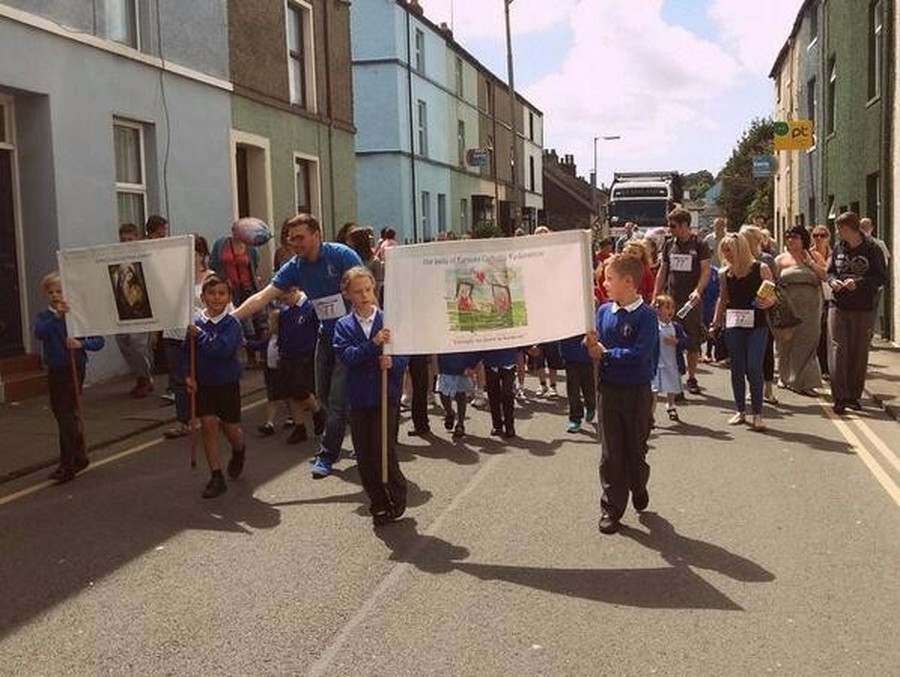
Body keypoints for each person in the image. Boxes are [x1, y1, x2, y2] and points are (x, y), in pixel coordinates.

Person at [232, 213, 362, 479]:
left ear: (317, 235)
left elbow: (367, 291)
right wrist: (227, 321)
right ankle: (362, 434)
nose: (295, 244)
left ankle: (327, 454)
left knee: (336, 401)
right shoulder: (295, 266)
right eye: (291, 240)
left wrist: (376, 332)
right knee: (324, 397)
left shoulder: (342, 256)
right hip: (326, 336)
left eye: (301, 238)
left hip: (353, 337)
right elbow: (262, 296)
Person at [586, 255, 659, 535]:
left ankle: (638, 485)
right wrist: (590, 345)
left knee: (635, 450)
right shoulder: (603, 311)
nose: (604, 283)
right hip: (609, 390)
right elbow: (595, 344)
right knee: (610, 453)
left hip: (637, 392)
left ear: (628, 282)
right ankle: (611, 508)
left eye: (609, 278)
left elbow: (641, 354)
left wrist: (606, 353)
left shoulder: (646, 316)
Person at [333, 266, 408, 526]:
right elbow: (348, 357)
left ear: (374, 289)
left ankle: (397, 493)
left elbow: (402, 358)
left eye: (368, 289)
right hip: (359, 397)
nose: (364, 295)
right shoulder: (343, 326)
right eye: (358, 291)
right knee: (364, 453)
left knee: (382, 449)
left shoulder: (389, 321)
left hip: (385, 395)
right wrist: (373, 345)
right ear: (347, 295)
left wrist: (393, 364)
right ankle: (377, 502)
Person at [34, 272, 105, 484]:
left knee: (65, 414)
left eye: (59, 291)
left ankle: (68, 464)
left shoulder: (77, 315)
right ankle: (79, 455)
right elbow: (40, 333)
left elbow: (98, 341)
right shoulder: (45, 317)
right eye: (51, 292)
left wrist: (81, 344)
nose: (55, 295)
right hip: (56, 369)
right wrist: (56, 315)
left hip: (74, 367)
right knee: (63, 413)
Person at [185, 275, 247, 499]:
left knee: (231, 429)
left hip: (227, 382)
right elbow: (187, 352)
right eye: (211, 293)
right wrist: (188, 375)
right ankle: (216, 475)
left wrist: (200, 335)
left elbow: (222, 350)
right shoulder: (195, 322)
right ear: (202, 297)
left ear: (229, 297)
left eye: (222, 293)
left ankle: (239, 449)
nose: (216, 298)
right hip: (204, 384)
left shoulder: (232, 324)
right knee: (209, 423)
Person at [710, 233, 774, 431]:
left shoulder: (761, 268)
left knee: (754, 366)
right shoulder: (724, 273)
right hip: (734, 323)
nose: (726, 254)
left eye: (729, 249)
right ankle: (740, 411)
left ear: (741, 249)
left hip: (758, 324)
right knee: (737, 367)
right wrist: (715, 323)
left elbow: (774, 296)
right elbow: (723, 299)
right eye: (724, 250)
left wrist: (769, 301)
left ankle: (757, 413)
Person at [827, 212, 888, 415]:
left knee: (859, 352)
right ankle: (840, 397)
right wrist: (832, 281)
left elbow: (880, 278)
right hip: (839, 305)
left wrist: (858, 283)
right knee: (838, 350)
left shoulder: (872, 249)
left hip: (863, 307)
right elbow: (830, 271)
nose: (837, 232)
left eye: (840, 228)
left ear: (850, 229)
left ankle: (853, 396)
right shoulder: (838, 247)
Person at [654, 207, 711, 395]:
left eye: (673, 225)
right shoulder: (669, 244)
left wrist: (698, 291)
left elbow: (706, 271)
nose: (670, 229)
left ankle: (692, 377)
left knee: (692, 340)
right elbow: (663, 270)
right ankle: (674, 382)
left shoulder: (700, 245)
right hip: (671, 300)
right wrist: (656, 295)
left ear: (685, 225)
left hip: (690, 302)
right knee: (671, 339)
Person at [163, 235, 214, 438]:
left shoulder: (210, 277)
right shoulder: (175, 276)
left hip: (196, 334)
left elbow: (215, 306)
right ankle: (184, 420)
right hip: (174, 332)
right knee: (178, 380)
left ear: (202, 255)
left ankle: (203, 415)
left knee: (198, 377)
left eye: (193, 252)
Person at [774, 225, 827, 395]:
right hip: (788, 305)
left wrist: (811, 263)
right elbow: (773, 284)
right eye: (788, 237)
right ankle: (784, 376)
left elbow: (825, 275)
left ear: (803, 239)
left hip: (811, 306)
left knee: (808, 343)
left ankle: (805, 382)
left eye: (795, 237)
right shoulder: (780, 260)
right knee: (786, 342)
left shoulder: (814, 255)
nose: (791, 240)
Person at [274, 286, 327, 443]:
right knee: (290, 393)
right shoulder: (285, 311)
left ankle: (318, 412)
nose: (284, 302)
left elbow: (320, 329)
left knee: (301, 389)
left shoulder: (311, 307)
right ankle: (299, 427)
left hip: (305, 355)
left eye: (285, 298)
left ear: (294, 290)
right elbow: (282, 333)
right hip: (287, 355)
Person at [210, 225, 264, 368]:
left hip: (247, 288)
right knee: (236, 319)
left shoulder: (250, 248)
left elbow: (254, 262)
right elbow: (214, 263)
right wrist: (221, 278)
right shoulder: (222, 244)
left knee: (251, 320)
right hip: (229, 289)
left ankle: (253, 356)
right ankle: (239, 355)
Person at [114, 222, 155, 398]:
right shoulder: (115, 258)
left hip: (141, 308)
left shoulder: (145, 257)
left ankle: (146, 379)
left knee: (138, 344)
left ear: (137, 238)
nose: (126, 243)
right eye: (123, 240)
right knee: (123, 342)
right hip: (122, 307)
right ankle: (140, 376)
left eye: (130, 239)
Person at [740, 224, 778, 404]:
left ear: (756, 240)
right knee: (748, 354)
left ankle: (768, 389)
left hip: (764, 311)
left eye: (747, 238)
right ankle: (752, 387)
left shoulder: (767, 259)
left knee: (767, 351)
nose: (744, 242)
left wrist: (769, 299)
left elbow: (774, 285)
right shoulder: (738, 259)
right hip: (743, 312)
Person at [651, 295, 687, 423]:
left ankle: (671, 405)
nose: (670, 310)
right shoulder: (653, 326)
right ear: (657, 310)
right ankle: (650, 415)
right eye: (667, 308)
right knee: (654, 390)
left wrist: (676, 341)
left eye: (672, 307)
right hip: (656, 363)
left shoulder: (676, 327)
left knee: (671, 386)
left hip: (671, 362)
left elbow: (685, 341)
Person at [436, 351, 479, 440]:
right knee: (443, 395)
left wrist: (472, 366)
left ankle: (460, 424)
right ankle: (449, 413)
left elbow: (474, 348)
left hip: (462, 367)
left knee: (460, 396)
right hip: (445, 366)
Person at [860, 217, 891, 339]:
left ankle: (868, 337)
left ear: (872, 228)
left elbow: (885, 263)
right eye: (862, 228)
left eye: (866, 228)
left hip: (874, 285)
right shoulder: (856, 244)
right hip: (860, 284)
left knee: (871, 311)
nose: (864, 230)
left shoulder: (879, 244)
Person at [810, 224, 833, 378]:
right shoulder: (808, 255)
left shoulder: (835, 253)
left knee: (828, 332)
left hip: (831, 297)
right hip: (814, 297)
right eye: (816, 235)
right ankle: (821, 367)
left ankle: (827, 367)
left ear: (828, 237)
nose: (819, 238)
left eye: (822, 235)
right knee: (818, 332)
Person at [560, 334, 595, 433]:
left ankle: (591, 406)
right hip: (570, 356)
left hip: (587, 357)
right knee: (573, 390)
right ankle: (575, 419)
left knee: (589, 388)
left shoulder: (588, 318)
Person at [481, 347, 518, 438]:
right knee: (493, 395)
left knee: (507, 395)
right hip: (491, 361)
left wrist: (528, 348)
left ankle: (509, 426)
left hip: (508, 361)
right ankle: (497, 426)